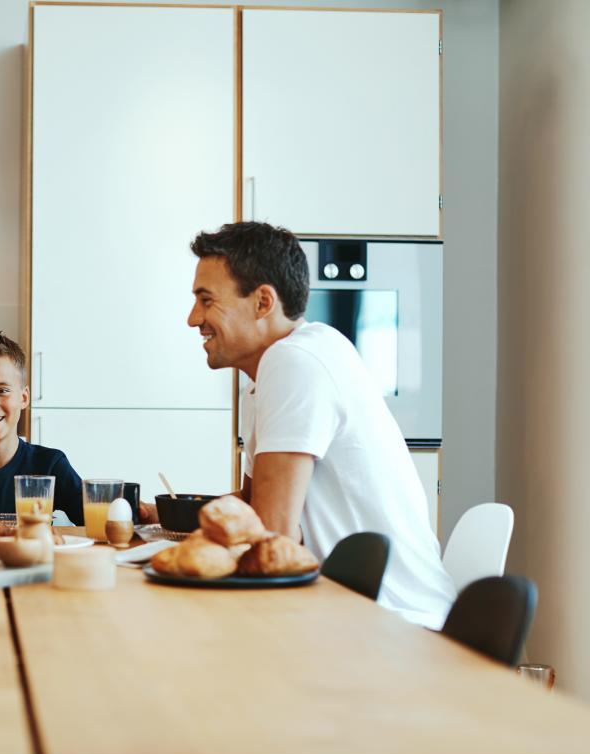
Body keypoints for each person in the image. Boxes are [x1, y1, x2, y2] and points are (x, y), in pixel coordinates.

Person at [182, 221, 454, 628]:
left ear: (262, 302)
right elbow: (254, 508)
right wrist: (164, 520)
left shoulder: (294, 363)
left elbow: (273, 536)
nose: (193, 319)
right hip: (349, 612)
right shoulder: (276, 372)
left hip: (395, 626)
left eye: (206, 300)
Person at [0, 332, 84, 525]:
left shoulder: (49, 464)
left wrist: (131, 510)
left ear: (24, 398)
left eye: (2, 390)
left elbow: (100, 520)